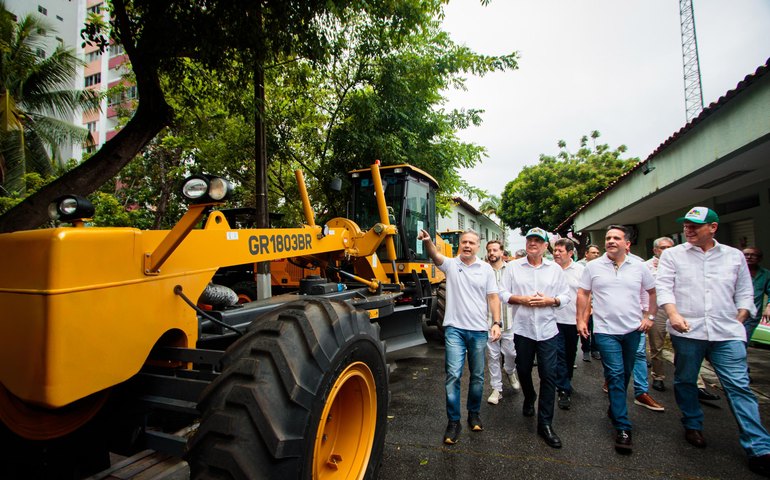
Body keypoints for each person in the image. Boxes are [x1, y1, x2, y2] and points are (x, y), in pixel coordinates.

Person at [656, 207, 770, 476]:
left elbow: (745, 291)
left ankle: (759, 447)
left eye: (695, 225)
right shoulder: (673, 255)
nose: (688, 230)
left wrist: (741, 316)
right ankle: (692, 423)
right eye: (686, 225)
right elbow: (664, 288)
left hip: (726, 332)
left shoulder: (733, 256)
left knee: (739, 386)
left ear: (713, 227)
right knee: (685, 380)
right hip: (688, 332)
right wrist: (673, 314)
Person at [577, 225, 656, 454]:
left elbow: (652, 292)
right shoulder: (593, 266)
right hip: (605, 330)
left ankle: (615, 407)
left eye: (616, 238)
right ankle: (623, 427)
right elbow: (583, 293)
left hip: (633, 330)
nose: (611, 241)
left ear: (627, 244)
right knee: (615, 374)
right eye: (608, 238)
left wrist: (649, 317)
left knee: (626, 372)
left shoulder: (640, 266)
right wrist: (581, 320)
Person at [418, 228, 501, 445]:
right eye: (464, 242)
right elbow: (435, 255)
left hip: (478, 330)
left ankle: (474, 414)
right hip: (454, 329)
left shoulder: (486, 269)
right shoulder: (451, 265)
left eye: (471, 243)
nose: (467, 245)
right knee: (453, 375)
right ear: (459, 245)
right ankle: (453, 422)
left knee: (477, 376)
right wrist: (428, 242)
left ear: (478, 247)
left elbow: (493, 297)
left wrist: (496, 322)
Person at [499, 227, 570, 448]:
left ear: (545, 246)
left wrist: (552, 301)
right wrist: (520, 299)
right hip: (523, 329)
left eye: (538, 240)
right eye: (530, 239)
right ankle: (529, 396)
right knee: (523, 370)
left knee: (549, 376)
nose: (533, 243)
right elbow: (502, 292)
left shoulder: (555, 269)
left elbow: (566, 295)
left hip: (548, 330)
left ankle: (545, 424)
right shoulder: (513, 267)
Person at [485, 240, 520, 405]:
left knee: (511, 353)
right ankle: (496, 389)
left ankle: (510, 371)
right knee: (493, 356)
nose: (492, 253)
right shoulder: (484, 270)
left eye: (495, 250)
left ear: (501, 252)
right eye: (489, 250)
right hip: (489, 321)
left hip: (510, 320)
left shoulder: (512, 269)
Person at [551, 238, 584, 410]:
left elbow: (586, 295)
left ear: (570, 253)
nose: (556, 253)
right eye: (555, 250)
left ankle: (567, 379)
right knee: (560, 354)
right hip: (554, 320)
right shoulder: (550, 269)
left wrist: (583, 319)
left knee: (570, 353)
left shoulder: (580, 270)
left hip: (573, 320)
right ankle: (563, 389)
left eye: (560, 251)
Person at [645, 237, 675, 392]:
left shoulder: (679, 264)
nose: (667, 251)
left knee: (686, 345)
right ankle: (658, 376)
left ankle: (697, 384)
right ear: (655, 250)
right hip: (657, 309)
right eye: (663, 248)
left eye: (670, 247)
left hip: (677, 308)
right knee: (656, 345)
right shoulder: (647, 266)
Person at [578, 244, 602, 361]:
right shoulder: (580, 267)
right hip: (586, 302)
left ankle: (595, 349)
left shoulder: (602, 266)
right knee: (585, 326)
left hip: (598, 303)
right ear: (586, 254)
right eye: (593, 253)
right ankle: (586, 350)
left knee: (596, 327)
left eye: (597, 253)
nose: (596, 255)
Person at [743, 247, 770, 344]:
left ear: (760, 258)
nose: (749, 257)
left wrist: (769, 306)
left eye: (753, 255)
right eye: (746, 255)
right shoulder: (734, 271)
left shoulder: (765, 274)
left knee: (742, 342)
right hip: (733, 315)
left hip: (752, 317)